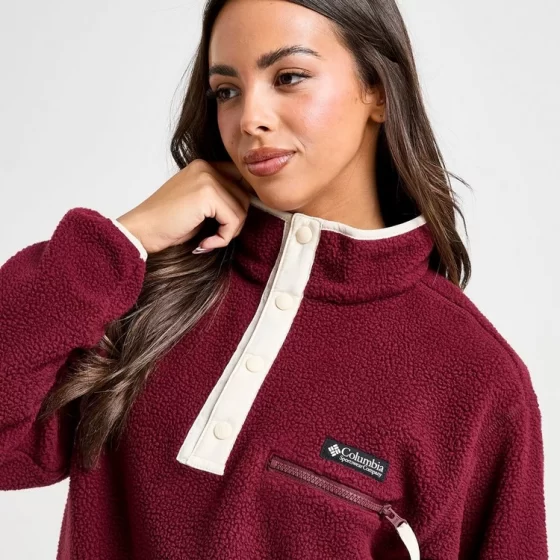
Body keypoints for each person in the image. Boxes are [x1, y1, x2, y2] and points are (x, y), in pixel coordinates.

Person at [0, 0, 548, 558]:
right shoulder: (139, 289)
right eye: (226, 90)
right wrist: (124, 238)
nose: (249, 119)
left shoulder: (477, 380)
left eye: (288, 77)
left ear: (379, 90)